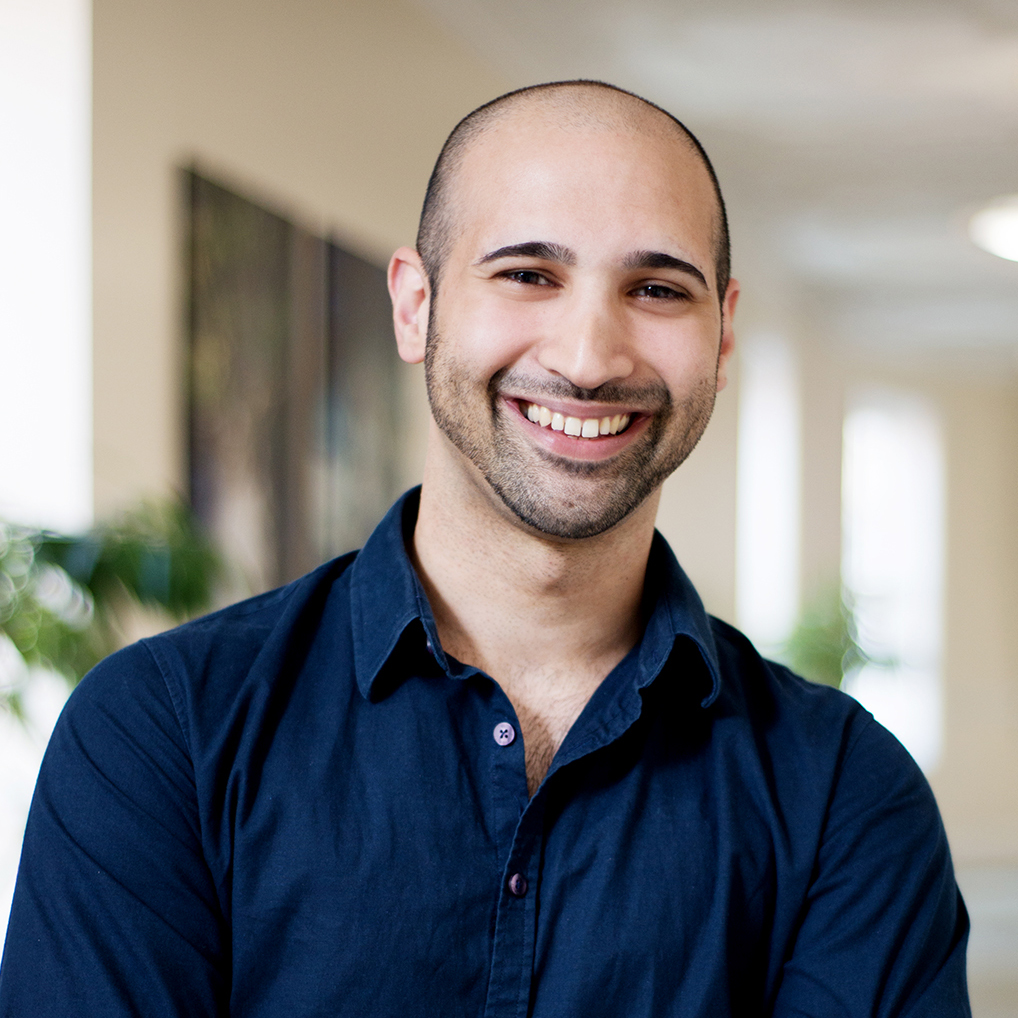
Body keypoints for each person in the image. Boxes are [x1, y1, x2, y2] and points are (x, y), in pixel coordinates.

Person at [0, 81, 969, 1017]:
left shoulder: (844, 789)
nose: (588, 357)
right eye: (527, 274)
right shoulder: (164, 732)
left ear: (720, 336)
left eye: (657, 288)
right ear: (415, 306)